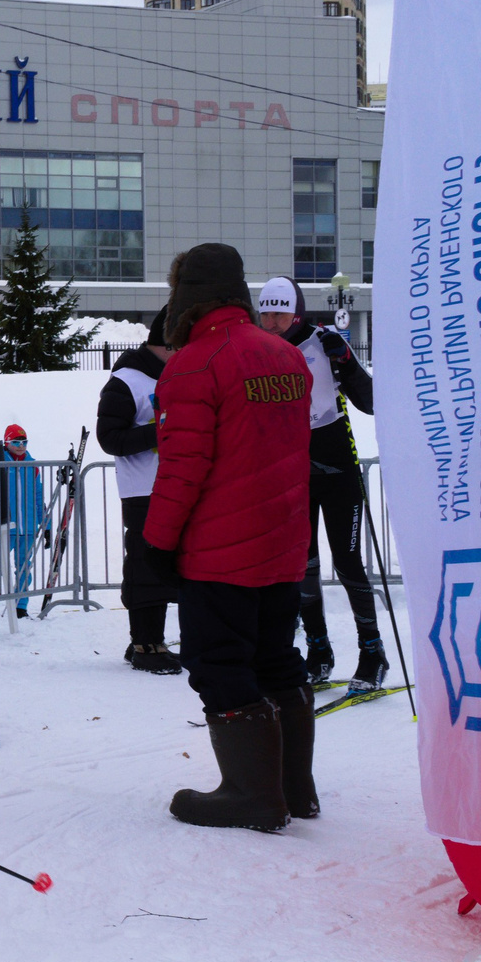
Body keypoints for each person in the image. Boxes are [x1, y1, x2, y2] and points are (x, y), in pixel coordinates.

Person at [142, 245, 317, 831]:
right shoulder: (285, 357)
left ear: (185, 296)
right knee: (277, 660)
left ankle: (251, 793)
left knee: (221, 665)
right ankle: (295, 789)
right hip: (283, 542)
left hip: (219, 551)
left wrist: (155, 546)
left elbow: (183, 470)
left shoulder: (192, 364)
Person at [255, 276, 385, 692]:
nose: (272, 322)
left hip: (337, 473)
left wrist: (346, 361)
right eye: (266, 313)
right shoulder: (257, 352)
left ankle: (372, 653)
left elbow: (369, 402)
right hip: (292, 476)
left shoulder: (323, 342)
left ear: (296, 311)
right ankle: (318, 651)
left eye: (280, 312)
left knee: (348, 564)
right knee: (303, 569)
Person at [96, 309, 181, 674]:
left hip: (178, 484)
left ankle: (157, 640)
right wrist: (159, 430)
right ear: (165, 344)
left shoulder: (177, 374)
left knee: (174, 565)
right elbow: (109, 438)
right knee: (145, 563)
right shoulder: (127, 380)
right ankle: (145, 642)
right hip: (143, 489)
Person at [0, 424, 45, 620]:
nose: (20, 446)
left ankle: (21, 605)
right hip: (3, 527)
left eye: (24, 442)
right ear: (6, 443)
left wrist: (46, 525)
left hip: (27, 526)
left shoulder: (32, 465)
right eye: (16, 442)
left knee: (24, 567)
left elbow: (38, 495)